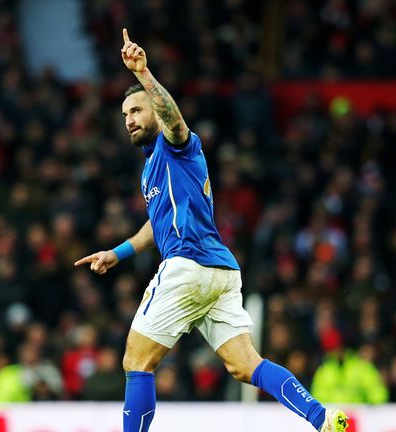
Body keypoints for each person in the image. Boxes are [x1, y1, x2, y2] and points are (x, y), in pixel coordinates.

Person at [75, 28, 348, 432]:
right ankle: (321, 417)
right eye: (125, 116)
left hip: (186, 265)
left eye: (136, 111)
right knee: (244, 365)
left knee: (136, 360)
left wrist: (145, 76)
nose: (129, 121)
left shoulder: (177, 146)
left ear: (154, 108)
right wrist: (118, 252)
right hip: (219, 272)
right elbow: (156, 224)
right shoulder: (153, 167)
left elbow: (175, 119)